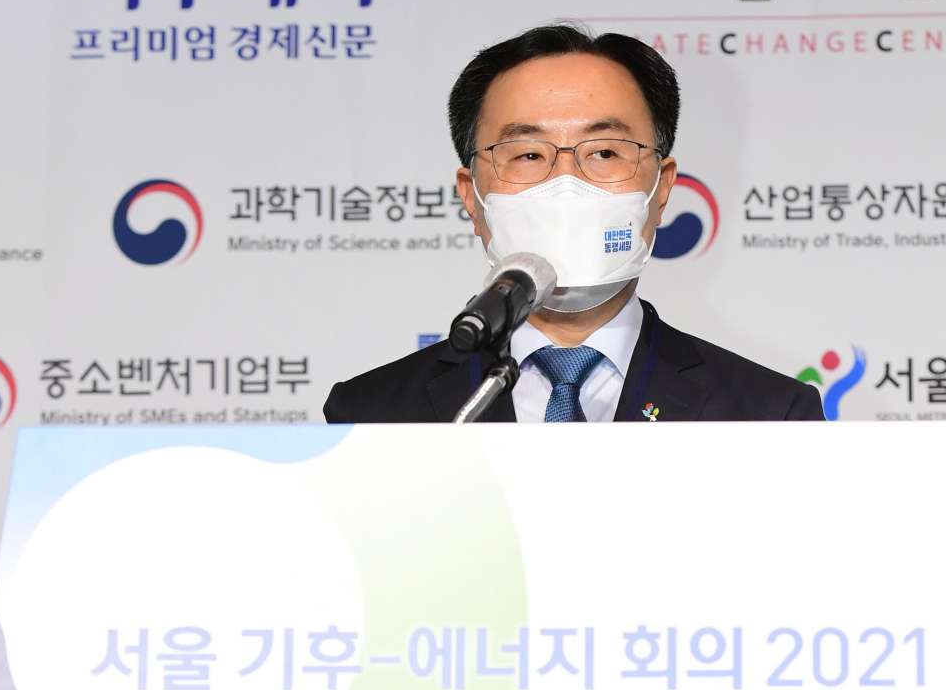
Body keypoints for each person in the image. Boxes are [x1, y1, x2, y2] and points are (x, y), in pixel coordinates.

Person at [323, 23, 824, 424]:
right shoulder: (373, 413)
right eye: (527, 154)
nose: (566, 185)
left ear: (662, 188)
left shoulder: (769, 414)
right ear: (472, 197)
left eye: (604, 152)